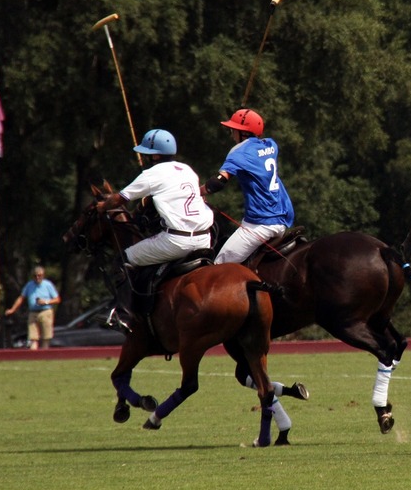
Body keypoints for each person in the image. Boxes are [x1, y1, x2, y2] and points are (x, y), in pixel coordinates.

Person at [97, 128, 214, 333]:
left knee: (122, 259)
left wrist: (101, 207)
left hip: (177, 241)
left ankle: (123, 315)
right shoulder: (187, 170)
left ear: (156, 155)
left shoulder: (150, 174)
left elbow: (119, 199)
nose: (144, 156)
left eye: (146, 153)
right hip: (205, 238)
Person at [202, 109, 295, 265]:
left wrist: (198, 192)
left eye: (233, 129)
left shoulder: (238, 153)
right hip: (283, 221)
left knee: (218, 266)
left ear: (243, 133)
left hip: (260, 224)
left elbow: (217, 183)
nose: (231, 133)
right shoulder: (271, 145)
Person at [5, 266, 60, 350]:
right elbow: (21, 298)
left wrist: (45, 302)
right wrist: (12, 309)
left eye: (39, 275)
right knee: (33, 337)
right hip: (33, 312)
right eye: (35, 276)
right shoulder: (29, 285)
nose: (37, 277)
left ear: (43, 275)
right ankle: (34, 356)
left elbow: (57, 299)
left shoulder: (48, 285)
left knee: (46, 337)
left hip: (45, 311)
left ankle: (44, 355)